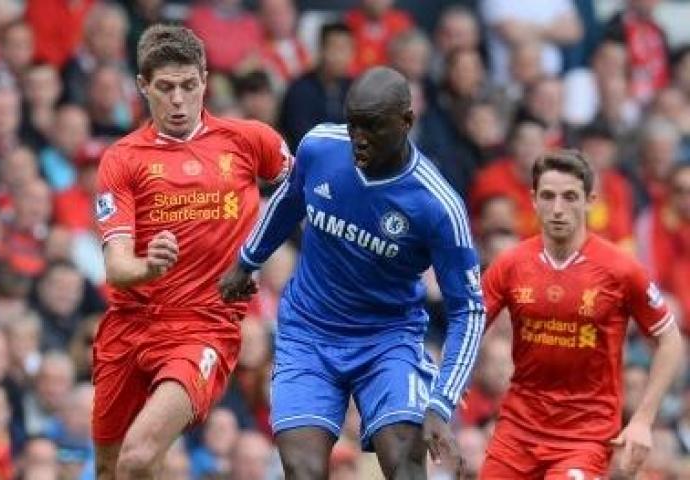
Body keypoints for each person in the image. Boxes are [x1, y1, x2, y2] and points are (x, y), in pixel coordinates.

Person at [220, 66, 485, 479]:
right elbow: (288, 201)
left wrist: (441, 402)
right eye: (353, 123)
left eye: (373, 127)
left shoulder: (437, 206)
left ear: (407, 122)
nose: (358, 138)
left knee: (404, 463)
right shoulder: (321, 146)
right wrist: (247, 261)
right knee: (301, 468)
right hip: (308, 331)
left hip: (387, 340)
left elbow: (469, 309)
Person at [93, 24, 291, 479]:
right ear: (144, 86)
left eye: (188, 85)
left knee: (138, 457)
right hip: (128, 326)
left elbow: (306, 192)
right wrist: (148, 265)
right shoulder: (122, 159)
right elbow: (116, 266)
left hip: (203, 326)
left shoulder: (249, 140)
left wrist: (260, 254)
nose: (178, 100)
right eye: (165, 88)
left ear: (204, 79)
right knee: (110, 468)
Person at [479, 150, 684, 479]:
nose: (558, 209)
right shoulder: (510, 264)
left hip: (585, 438)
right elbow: (467, 325)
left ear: (590, 201)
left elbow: (670, 340)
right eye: (548, 196)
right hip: (517, 434)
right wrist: (448, 385)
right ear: (533, 200)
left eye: (570, 197)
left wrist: (643, 420)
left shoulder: (621, 269)